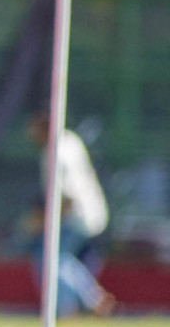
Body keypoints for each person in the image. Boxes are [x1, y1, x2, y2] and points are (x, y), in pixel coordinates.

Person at [27, 115, 113, 316]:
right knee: (62, 259)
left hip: (77, 216)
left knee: (51, 259)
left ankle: (71, 306)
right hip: (90, 211)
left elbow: (68, 196)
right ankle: (90, 299)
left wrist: (45, 221)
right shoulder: (70, 140)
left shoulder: (57, 152)